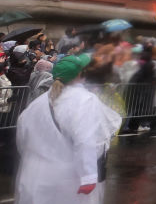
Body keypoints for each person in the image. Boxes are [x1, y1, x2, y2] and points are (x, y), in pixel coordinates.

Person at [16, 54, 122, 203]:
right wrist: (89, 176)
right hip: (67, 180)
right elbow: (86, 140)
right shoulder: (85, 100)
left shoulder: (37, 103)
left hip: (33, 177)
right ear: (80, 74)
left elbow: (22, 140)